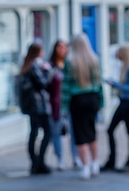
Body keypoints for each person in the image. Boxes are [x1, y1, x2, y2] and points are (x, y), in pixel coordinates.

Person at [62, 33, 104, 180]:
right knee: (91, 131)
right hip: (92, 98)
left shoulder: (70, 61)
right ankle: (95, 163)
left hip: (77, 99)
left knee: (80, 134)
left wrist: (63, 107)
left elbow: (65, 87)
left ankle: (85, 166)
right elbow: (99, 84)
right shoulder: (94, 60)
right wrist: (101, 102)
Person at [102, 44, 129, 173]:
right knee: (113, 131)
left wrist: (115, 84)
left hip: (127, 104)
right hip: (123, 102)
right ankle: (114, 161)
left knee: (124, 132)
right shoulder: (124, 67)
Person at [19, 42, 52, 175]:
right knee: (45, 132)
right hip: (38, 106)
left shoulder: (27, 66)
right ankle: (39, 162)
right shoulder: (34, 67)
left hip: (33, 106)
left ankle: (36, 162)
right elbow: (42, 84)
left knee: (34, 133)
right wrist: (48, 71)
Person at [47, 39, 71, 171]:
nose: (62, 50)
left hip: (69, 102)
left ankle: (76, 158)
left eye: (64, 47)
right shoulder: (50, 66)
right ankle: (60, 158)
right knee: (56, 132)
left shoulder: (69, 65)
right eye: (59, 47)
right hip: (56, 104)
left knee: (73, 131)